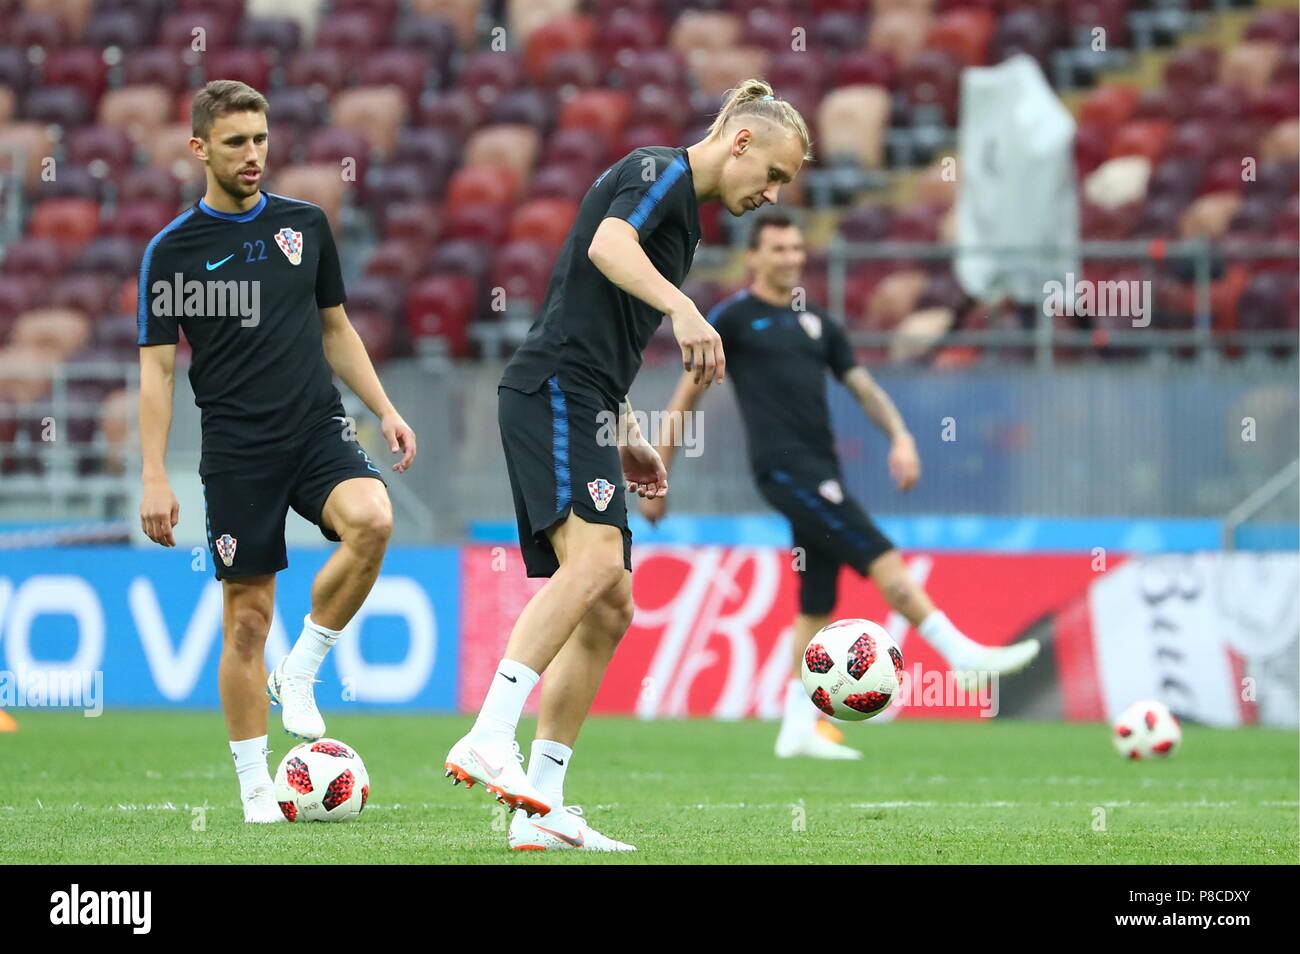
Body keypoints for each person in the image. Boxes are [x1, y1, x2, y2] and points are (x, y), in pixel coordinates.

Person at [443, 81, 812, 851]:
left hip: (585, 398)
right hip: (551, 391)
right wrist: (683, 308)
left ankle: (538, 805)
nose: (772, 194)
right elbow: (607, 247)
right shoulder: (660, 173)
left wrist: (630, 427)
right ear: (740, 142)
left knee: (610, 601)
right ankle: (488, 734)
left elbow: (597, 326)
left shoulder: (685, 221)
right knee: (597, 559)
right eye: (773, 175)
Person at [641, 210, 1040, 759]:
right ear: (753, 257)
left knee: (815, 606)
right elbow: (687, 396)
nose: (790, 258)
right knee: (884, 560)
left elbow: (863, 387)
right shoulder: (731, 320)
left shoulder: (818, 324)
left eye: (796, 249)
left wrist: (900, 435)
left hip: (823, 469)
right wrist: (658, 474)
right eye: (777, 249)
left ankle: (797, 730)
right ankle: (961, 655)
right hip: (785, 472)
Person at [137, 81, 417, 822]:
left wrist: (384, 408)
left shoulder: (306, 226)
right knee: (247, 621)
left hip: (317, 431)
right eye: (235, 142)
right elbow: (159, 369)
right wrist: (153, 473)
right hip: (237, 453)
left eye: (260, 139)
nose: (253, 154)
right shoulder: (172, 253)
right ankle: (255, 782)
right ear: (200, 149)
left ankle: (303, 669)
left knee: (375, 520)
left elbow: (336, 328)